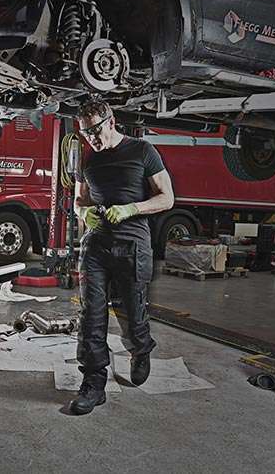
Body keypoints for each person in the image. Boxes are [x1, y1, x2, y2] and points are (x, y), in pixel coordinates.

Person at [70, 100, 175, 415]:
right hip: (96, 246)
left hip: (132, 245)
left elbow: (167, 197)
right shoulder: (87, 158)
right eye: (86, 133)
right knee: (92, 314)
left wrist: (132, 208)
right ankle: (93, 382)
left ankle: (141, 350)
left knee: (132, 311)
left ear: (111, 121)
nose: (92, 139)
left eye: (95, 131)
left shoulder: (143, 151)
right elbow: (79, 199)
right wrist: (83, 212)